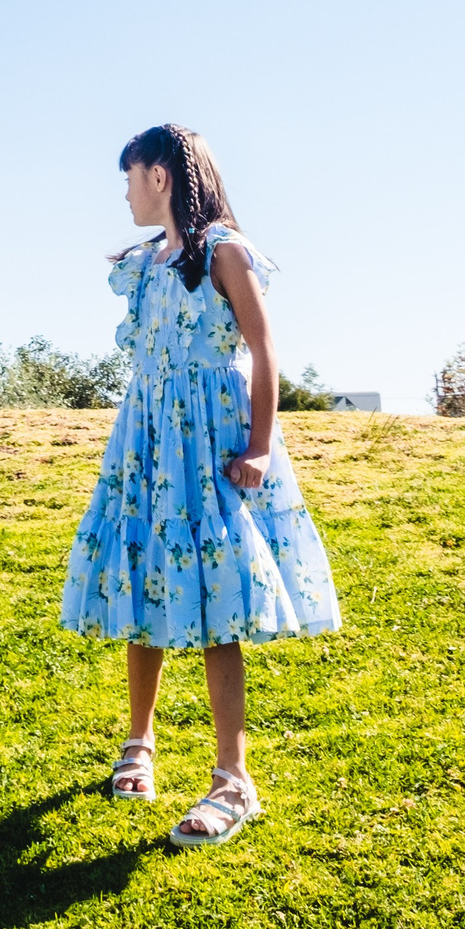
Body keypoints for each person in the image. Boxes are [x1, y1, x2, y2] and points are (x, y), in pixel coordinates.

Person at [57, 124, 341, 848]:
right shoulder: (148, 261)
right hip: (147, 439)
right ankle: (140, 742)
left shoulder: (225, 250)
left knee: (217, 598)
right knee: (144, 577)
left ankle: (232, 778)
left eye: (129, 175)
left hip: (209, 441)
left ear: (160, 174)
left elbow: (265, 349)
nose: (124, 191)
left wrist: (258, 447)